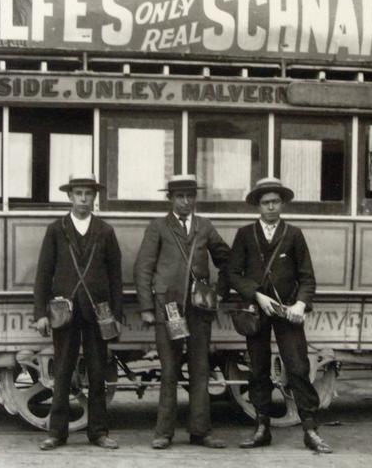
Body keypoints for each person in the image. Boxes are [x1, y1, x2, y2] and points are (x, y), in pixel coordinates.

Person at [228, 177, 333, 454]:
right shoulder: (245, 234)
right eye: (266, 203)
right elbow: (233, 274)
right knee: (259, 367)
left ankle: (310, 430)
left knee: (297, 367)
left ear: (282, 204)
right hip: (256, 311)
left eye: (275, 202)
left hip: (287, 311)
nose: (271, 207)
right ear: (258, 206)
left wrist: (300, 304)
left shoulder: (294, 234)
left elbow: (307, 277)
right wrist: (256, 295)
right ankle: (262, 428)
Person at [134, 174, 231, 449]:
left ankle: (201, 431)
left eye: (190, 196)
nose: (186, 201)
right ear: (170, 199)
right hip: (168, 309)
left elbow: (227, 260)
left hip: (200, 310)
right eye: (180, 196)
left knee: (200, 370)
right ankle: (163, 433)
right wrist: (145, 308)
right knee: (169, 371)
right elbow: (143, 269)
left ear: (195, 198)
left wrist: (220, 292)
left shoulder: (205, 227)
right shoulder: (158, 227)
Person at [33, 174, 124, 451]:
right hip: (64, 311)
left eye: (88, 193)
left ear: (94, 197)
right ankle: (56, 434)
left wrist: (116, 316)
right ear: (69, 197)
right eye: (79, 193)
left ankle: (98, 432)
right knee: (62, 371)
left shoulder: (106, 230)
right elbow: (43, 274)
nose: (84, 199)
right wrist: (41, 313)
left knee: (97, 373)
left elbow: (115, 277)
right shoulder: (56, 229)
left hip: (98, 312)